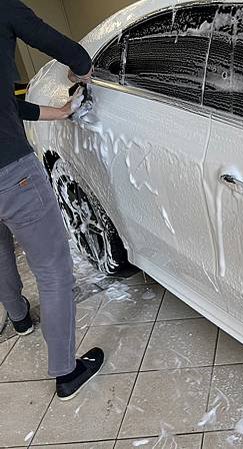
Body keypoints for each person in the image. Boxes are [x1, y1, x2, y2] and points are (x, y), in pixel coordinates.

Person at [1, 0, 103, 401]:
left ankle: (18, 317)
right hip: (10, 172)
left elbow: (6, 105)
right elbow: (75, 54)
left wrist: (59, 112)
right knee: (52, 267)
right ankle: (66, 371)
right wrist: (82, 72)